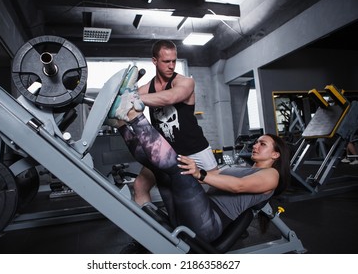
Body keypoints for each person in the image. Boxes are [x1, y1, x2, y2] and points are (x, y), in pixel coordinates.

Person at [108, 96, 291, 244]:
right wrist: (193, 173)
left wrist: (197, 173)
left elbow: (239, 186)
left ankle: (133, 115)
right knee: (160, 170)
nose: (255, 145)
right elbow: (210, 177)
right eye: (257, 142)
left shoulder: (271, 175)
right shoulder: (240, 167)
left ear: (275, 155)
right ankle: (121, 124)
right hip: (192, 214)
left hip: (208, 223)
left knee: (176, 167)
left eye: (263, 144)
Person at [132, 40, 217, 206]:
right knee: (140, 185)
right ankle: (152, 229)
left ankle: (225, 225)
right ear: (154, 61)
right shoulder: (145, 89)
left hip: (195, 149)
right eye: (166, 61)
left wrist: (132, 98)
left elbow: (169, 97)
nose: (171, 66)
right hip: (166, 153)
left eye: (174, 61)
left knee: (217, 187)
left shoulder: (185, 82)